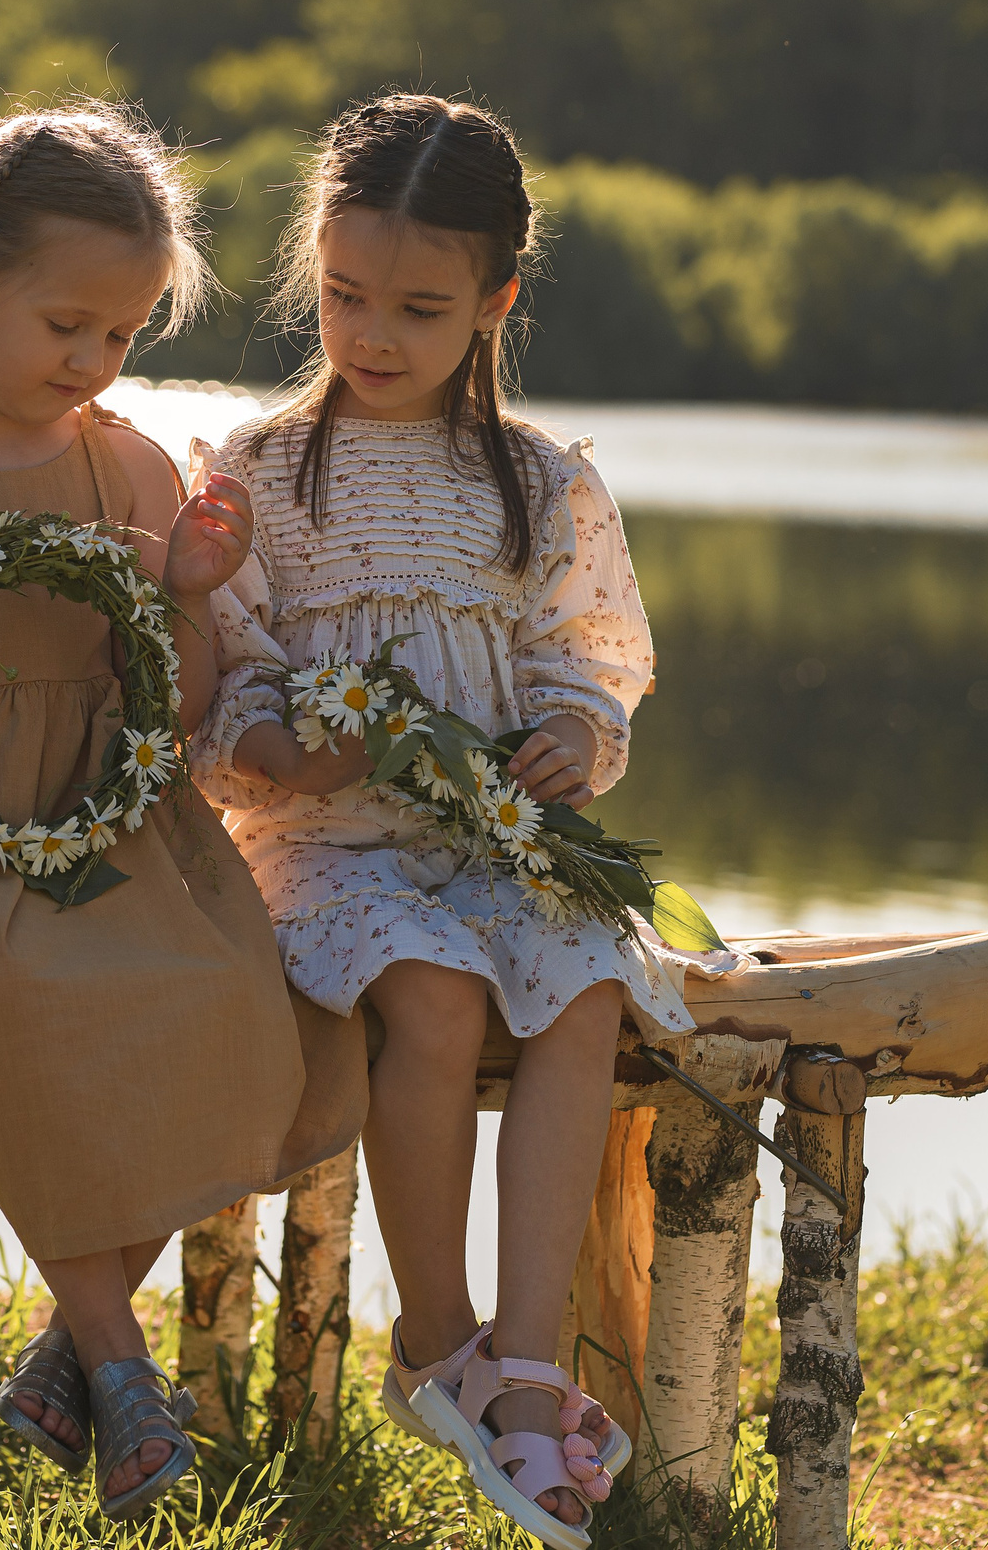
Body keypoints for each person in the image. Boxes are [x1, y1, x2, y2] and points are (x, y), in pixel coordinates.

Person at [0, 106, 363, 1523]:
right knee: (18, 986)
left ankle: (59, 1361)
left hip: (112, 826)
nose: (94, 363)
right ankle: (118, 1359)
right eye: (68, 326)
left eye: (123, 337)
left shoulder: (129, 468)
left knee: (236, 1001)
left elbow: (175, 703)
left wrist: (191, 587)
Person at [190, 94, 692, 1549]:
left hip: (493, 846)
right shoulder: (264, 472)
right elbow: (229, 676)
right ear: (312, 274)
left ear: (496, 301)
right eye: (345, 296)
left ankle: (525, 1373)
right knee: (436, 993)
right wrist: (287, 749)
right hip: (325, 849)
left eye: (419, 305)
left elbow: (590, 656)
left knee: (587, 986)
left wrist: (568, 738)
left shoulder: (543, 484)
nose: (375, 334)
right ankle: (439, 1341)